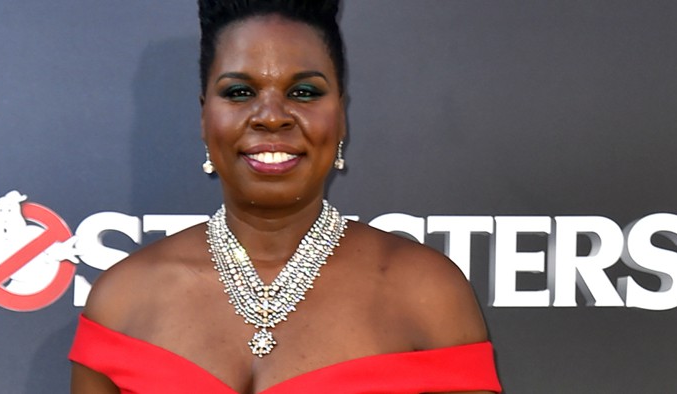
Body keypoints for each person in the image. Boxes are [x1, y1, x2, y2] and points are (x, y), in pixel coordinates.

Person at [70, 1, 501, 393]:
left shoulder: (427, 294)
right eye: (240, 92)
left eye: (304, 92)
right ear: (204, 117)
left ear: (342, 116)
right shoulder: (122, 301)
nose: (272, 115)